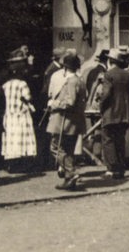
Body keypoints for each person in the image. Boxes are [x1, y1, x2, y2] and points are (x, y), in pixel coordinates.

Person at [47, 54, 86, 191]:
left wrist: (54, 103)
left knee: (55, 147)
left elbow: (70, 102)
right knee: (68, 149)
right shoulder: (80, 80)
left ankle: (71, 172)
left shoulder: (71, 81)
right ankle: (69, 181)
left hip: (64, 121)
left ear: (64, 68)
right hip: (75, 122)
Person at [98, 50, 129, 179]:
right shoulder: (128, 75)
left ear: (110, 61)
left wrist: (101, 107)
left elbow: (106, 94)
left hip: (111, 112)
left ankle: (111, 169)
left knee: (108, 140)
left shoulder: (108, 75)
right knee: (120, 140)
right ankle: (120, 169)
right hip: (125, 114)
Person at [1, 52, 37, 171]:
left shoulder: (5, 85)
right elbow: (27, 98)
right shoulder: (22, 84)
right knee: (22, 138)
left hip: (9, 114)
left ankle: (11, 163)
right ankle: (23, 163)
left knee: (11, 139)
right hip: (21, 115)